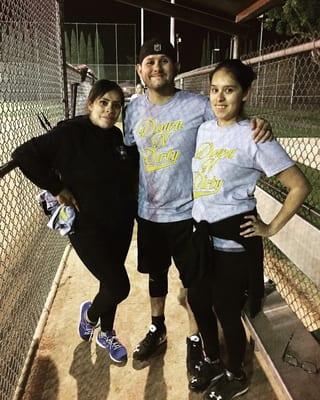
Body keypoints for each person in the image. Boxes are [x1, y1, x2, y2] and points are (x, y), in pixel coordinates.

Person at [124, 38, 273, 373]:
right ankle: (157, 327)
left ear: (175, 67)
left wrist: (257, 123)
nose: (157, 67)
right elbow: (124, 148)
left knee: (194, 282)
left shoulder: (196, 105)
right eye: (149, 61)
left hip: (190, 213)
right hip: (149, 211)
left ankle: (195, 341)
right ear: (139, 69)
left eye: (164, 60)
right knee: (156, 274)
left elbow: (229, 118)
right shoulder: (132, 109)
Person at [188, 59, 311, 399]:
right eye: (214, 90)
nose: (219, 98)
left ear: (245, 93)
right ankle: (212, 359)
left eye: (229, 90)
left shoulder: (255, 137)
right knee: (198, 301)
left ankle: (235, 373)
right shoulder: (205, 129)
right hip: (202, 239)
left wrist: (270, 228)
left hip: (233, 243)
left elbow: (300, 186)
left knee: (226, 310)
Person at [11, 79, 138, 363]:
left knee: (110, 280)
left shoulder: (116, 138)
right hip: (86, 226)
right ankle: (90, 316)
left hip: (118, 222)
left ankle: (107, 332)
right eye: (104, 102)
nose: (110, 109)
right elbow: (23, 155)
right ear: (91, 103)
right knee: (119, 286)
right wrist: (57, 188)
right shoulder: (70, 132)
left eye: (116, 105)